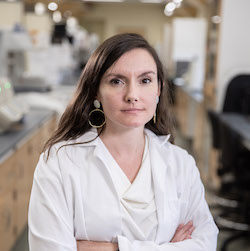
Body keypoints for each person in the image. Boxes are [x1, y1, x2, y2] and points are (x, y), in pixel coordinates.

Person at [28, 33, 218, 251]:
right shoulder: (59, 162)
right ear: (96, 92)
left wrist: (113, 248)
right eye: (116, 81)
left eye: (145, 80)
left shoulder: (181, 164)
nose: (132, 95)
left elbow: (205, 243)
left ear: (158, 89)